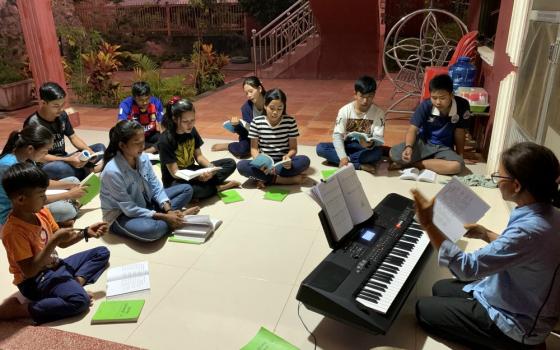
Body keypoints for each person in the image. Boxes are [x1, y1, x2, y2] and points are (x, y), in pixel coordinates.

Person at [412, 142, 560, 349]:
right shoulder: (550, 213)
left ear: (516, 186)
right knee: (439, 288)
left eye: (499, 177)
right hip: (522, 297)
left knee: (422, 310)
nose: (497, 182)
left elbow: (467, 268)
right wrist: (485, 233)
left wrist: (429, 224)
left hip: (518, 323)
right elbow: (523, 251)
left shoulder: (527, 231)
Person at [0, 162, 110, 324]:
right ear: (21, 199)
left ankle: (72, 286)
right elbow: (29, 271)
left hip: (55, 266)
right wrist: (53, 241)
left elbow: (63, 243)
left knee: (101, 252)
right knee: (80, 302)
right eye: (41, 195)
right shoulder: (13, 231)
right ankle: (18, 310)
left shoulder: (41, 211)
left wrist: (85, 232)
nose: (45, 199)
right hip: (35, 280)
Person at [100, 120, 200, 242]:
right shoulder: (112, 171)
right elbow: (129, 208)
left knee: (186, 189)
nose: (142, 147)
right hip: (121, 215)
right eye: (137, 143)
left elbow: (155, 186)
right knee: (152, 231)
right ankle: (179, 218)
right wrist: (165, 216)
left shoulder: (143, 157)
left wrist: (168, 210)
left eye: (143, 142)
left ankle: (172, 217)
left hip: (145, 202)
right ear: (122, 145)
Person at [0, 126, 87, 229]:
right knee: (68, 210)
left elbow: (40, 183)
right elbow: (34, 201)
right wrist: (68, 194)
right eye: (45, 151)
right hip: (12, 215)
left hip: (32, 200)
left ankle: (59, 215)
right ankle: (58, 217)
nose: (46, 155)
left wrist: (71, 185)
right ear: (30, 149)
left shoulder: (26, 157)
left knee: (74, 180)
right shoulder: (10, 166)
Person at [158, 97, 240, 200]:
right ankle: (219, 187)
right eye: (185, 121)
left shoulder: (192, 131)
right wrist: (197, 177)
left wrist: (211, 168)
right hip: (176, 181)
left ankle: (206, 186)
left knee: (230, 163)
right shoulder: (165, 140)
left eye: (192, 120)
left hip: (193, 171)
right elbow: (175, 173)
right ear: (175, 119)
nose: (190, 124)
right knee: (190, 190)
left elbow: (199, 156)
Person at [389, 74, 470, 175]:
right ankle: (433, 163)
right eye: (434, 98)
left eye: (442, 98)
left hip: (444, 148)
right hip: (424, 144)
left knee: (458, 166)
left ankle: (414, 164)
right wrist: (408, 147)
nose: (438, 102)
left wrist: (460, 155)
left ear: (451, 95)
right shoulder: (425, 105)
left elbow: (460, 132)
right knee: (394, 154)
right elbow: (412, 129)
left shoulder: (462, 105)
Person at [23, 82, 106, 181]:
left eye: (63, 104)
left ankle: (82, 169)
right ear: (44, 103)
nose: (61, 109)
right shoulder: (32, 123)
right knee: (60, 169)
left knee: (99, 148)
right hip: (45, 165)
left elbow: (73, 137)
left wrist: (89, 151)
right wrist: (67, 160)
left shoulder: (62, 115)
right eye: (56, 106)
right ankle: (92, 170)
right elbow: (38, 156)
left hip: (65, 158)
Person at [236, 88, 310, 187]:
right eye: (272, 108)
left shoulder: (290, 121)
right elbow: (254, 149)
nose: (275, 112)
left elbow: (293, 148)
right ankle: (281, 180)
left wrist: (288, 157)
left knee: (304, 160)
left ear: (284, 108)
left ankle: (264, 178)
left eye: (280, 108)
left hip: (282, 163)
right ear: (265, 106)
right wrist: (259, 163)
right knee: (241, 166)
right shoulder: (256, 122)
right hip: (264, 163)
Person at [316, 75, 385, 173]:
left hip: (365, 149)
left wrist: (370, 144)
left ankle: (344, 162)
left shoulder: (379, 113)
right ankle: (358, 165)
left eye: (369, 97)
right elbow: (337, 136)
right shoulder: (344, 110)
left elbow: (378, 138)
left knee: (377, 153)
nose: (365, 101)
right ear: (355, 94)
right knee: (321, 148)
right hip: (348, 146)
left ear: (374, 94)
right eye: (362, 96)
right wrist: (343, 156)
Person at [211, 76, 266, 157]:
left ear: (259, 89)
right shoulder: (246, 108)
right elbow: (245, 132)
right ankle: (229, 145)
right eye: (246, 93)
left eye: (251, 91)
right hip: (252, 138)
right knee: (242, 150)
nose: (249, 95)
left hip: (270, 136)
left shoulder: (271, 102)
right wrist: (236, 125)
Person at [117, 81, 164, 154]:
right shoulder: (126, 104)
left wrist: (164, 137)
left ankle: (146, 152)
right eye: (141, 100)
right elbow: (120, 124)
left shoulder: (156, 102)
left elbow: (162, 124)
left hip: (151, 135)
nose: (145, 103)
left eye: (147, 99)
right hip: (135, 137)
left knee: (167, 139)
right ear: (134, 98)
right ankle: (151, 150)